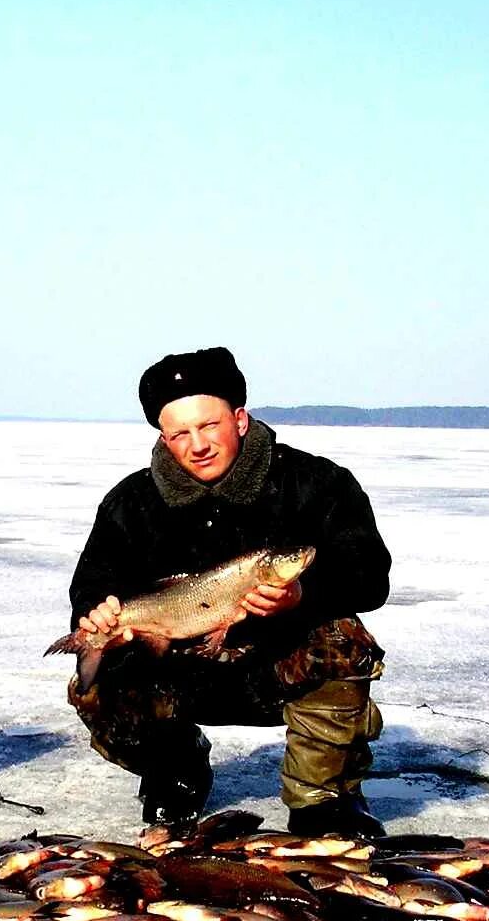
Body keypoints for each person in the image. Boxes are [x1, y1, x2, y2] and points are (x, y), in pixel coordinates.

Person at [65, 346, 392, 836]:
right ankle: (174, 770)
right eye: (180, 433)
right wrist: (97, 613)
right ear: (163, 437)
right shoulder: (131, 502)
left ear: (239, 419)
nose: (198, 445)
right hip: (180, 667)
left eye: (209, 425)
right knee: (96, 681)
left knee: (345, 639)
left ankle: (321, 796)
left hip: (278, 662)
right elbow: (94, 579)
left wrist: (302, 597)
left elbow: (369, 574)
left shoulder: (316, 483)